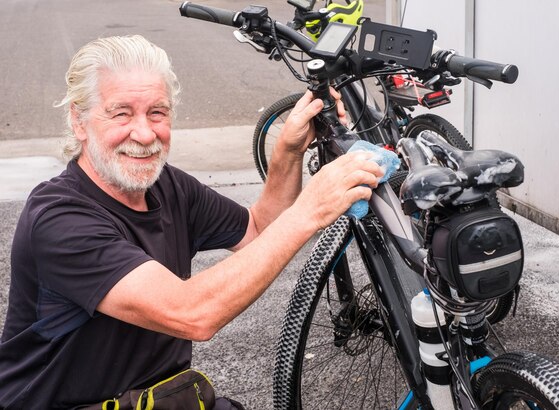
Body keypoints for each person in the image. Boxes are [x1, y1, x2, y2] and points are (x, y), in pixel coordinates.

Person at [0, 35, 383, 408]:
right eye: (121, 113)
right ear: (79, 121)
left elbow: (257, 232)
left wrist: (287, 151)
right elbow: (193, 313)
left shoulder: (167, 185)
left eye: (158, 112)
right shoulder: (58, 219)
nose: (145, 133)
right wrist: (309, 210)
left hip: (160, 398)